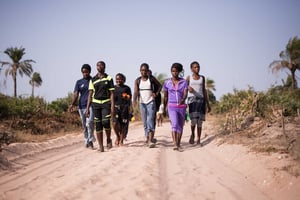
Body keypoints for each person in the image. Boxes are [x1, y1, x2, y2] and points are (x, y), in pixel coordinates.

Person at [85, 61, 114, 152]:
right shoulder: (93, 80)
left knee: (105, 122)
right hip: (96, 104)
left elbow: (112, 93)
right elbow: (90, 94)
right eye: (97, 65)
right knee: (98, 124)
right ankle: (101, 146)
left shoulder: (109, 78)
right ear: (96, 67)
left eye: (101, 65)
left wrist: (112, 106)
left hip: (106, 103)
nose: (99, 66)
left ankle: (108, 139)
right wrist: (87, 109)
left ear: (104, 67)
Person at [133, 63, 162, 148]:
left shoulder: (151, 79)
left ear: (148, 70)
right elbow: (135, 91)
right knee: (145, 122)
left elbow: (160, 86)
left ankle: (150, 140)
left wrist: (156, 93)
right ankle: (148, 138)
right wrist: (134, 100)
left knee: (150, 120)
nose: (143, 72)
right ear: (140, 71)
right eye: (142, 70)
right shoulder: (137, 80)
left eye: (145, 70)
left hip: (151, 102)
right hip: (142, 103)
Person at [68, 64, 96, 149]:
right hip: (81, 106)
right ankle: (86, 140)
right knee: (84, 125)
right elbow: (76, 94)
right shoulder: (79, 82)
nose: (85, 74)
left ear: (89, 72)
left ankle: (91, 140)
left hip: (91, 105)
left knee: (90, 122)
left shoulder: (93, 80)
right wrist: (72, 104)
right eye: (83, 72)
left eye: (86, 72)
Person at [163, 63, 188, 151]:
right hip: (171, 106)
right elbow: (165, 96)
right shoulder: (167, 82)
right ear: (171, 71)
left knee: (180, 125)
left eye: (176, 71)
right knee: (175, 124)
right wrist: (164, 108)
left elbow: (185, 93)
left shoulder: (184, 82)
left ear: (179, 72)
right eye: (173, 71)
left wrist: (183, 99)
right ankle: (175, 144)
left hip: (181, 106)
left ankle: (178, 143)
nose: (174, 73)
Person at [186, 61, 211, 146]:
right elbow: (184, 89)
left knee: (200, 121)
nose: (197, 68)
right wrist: (188, 88)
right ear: (191, 69)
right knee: (193, 121)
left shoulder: (202, 78)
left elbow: (204, 90)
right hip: (192, 101)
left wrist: (208, 104)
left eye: (198, 67)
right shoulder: (189, 78)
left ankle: (199, 140)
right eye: (195, 67)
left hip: (201, 100)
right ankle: (192, 134)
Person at [112, 73, 132, 146]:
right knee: (114, 123)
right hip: (115, 108)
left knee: (123, 124)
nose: (118, 80)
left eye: (120, 79)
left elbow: (129, 98)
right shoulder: (113, 88)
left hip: (124, 108)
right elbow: (111, 98)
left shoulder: (127, 88)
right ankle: (117, 136)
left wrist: (126, 96)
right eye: (117, 79)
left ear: (124, 80)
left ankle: (121, 140)